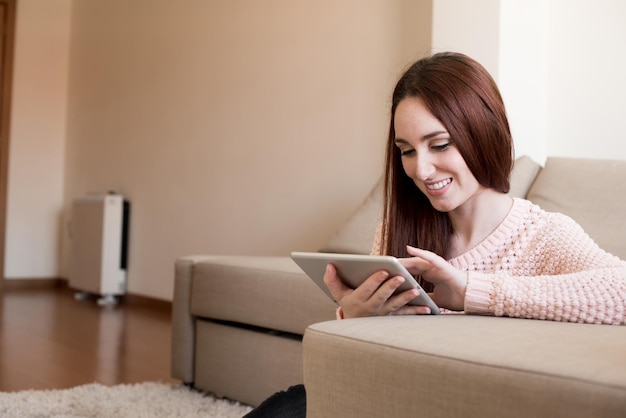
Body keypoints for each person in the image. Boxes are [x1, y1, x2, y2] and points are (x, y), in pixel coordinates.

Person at [244, 51, 626, 417]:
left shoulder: (544, 235)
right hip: (385, 391)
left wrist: (470, 291)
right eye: (406, 151)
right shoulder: (397, 230)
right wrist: (352, 319)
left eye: (439, 144)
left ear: (483, 132)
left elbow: (620, 291)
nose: (421, 170)